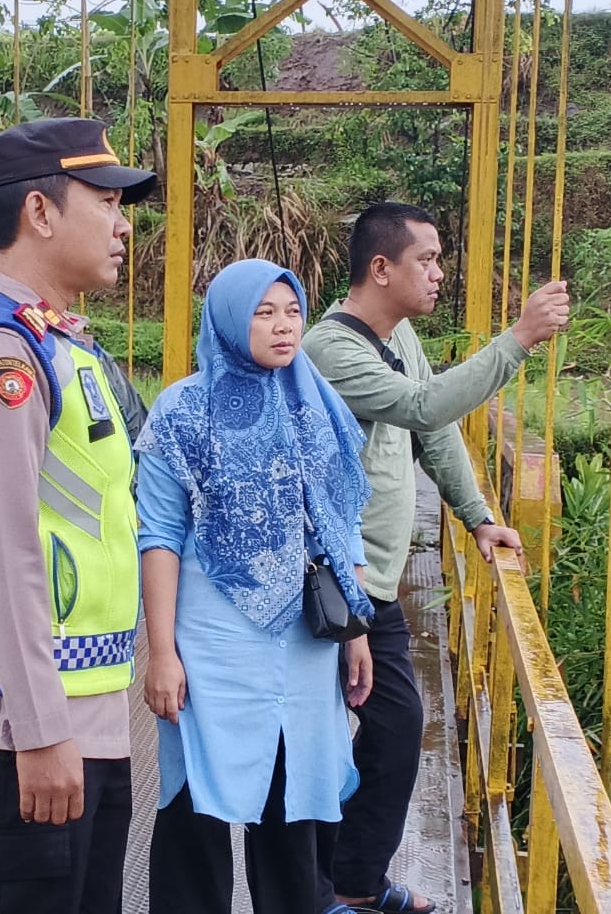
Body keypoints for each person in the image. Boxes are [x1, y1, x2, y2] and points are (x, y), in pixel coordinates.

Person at [0, 116, 157, 914]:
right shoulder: (2, 354)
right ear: (42, 214)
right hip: (16, 729)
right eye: (106, 202)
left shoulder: (59, 346)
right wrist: (43, 730)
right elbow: (5, 549)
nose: (124, 226)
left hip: (74, 715)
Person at [302, 202, 571, 914]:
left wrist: (479, 515)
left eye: (442, 258)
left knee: (392, 732)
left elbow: (438, 432)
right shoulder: (332, 349)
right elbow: (420, 407)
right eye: (428, 259)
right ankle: (319, 887)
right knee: (329, 740)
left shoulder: (403, 336)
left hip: (377, 583)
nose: (440, 274)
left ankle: (352, 880)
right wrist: (516, 339)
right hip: (331, 581)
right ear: (380, 268)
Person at [138, 258, 376, 914]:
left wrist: (356, 633)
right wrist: (162, 654)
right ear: (228, 320)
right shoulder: (181, 412)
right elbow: (157, 536)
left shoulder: (314, 403)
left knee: (294, 803)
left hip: (304, 643)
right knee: (195, 811)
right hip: (211, 644)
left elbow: (340, 525)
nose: (282, 327)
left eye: (292, 311)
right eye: (263, 313)